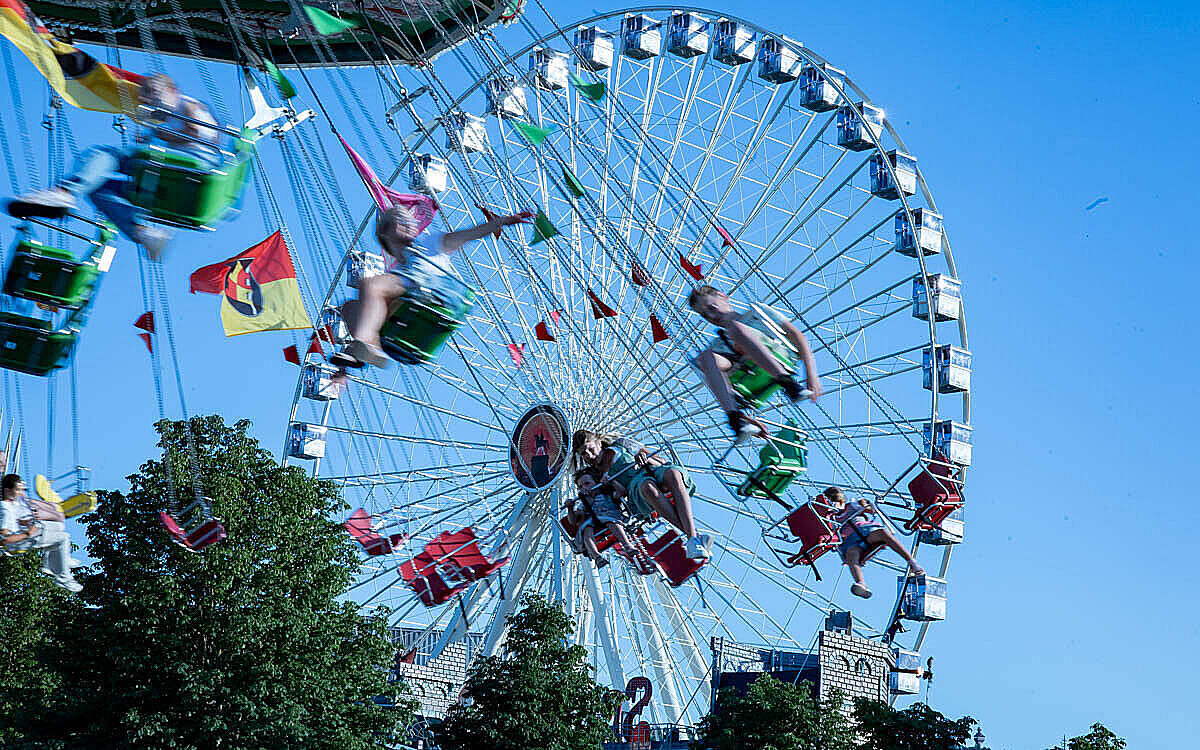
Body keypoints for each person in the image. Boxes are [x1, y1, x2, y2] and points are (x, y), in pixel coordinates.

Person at [6, 74, 221, 257]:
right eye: (148, 95)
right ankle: (143, 233)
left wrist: (162, 136)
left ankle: (64, 192)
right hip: (171, 181)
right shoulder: (165, 118)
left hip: (192, 171)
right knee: (98, 188)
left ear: (172, 90)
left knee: (107, 154)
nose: (152, 99)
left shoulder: (187, 104)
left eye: (155, 92)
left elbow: (200, 132)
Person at [331, 203, 532, 368]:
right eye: (401, 220)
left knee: (370, 286)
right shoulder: (393, 274)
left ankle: (366, 343)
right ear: (386, 232)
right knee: (350, 308)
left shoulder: (432, 243)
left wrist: (502, 222)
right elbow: (368, 313)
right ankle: (364, 350)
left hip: (432, 295)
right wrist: (342, 370)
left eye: (410, 219)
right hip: (405, 316)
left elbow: (470, 234)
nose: (410, 223)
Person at [687, 285, 822, 439]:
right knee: (705, 358)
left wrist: (811, 374)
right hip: (746, 374)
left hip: (777, 356)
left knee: (736, 328)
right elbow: (718, 382)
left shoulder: (757, 313)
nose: (711, 316)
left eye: (712, 307)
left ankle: (788, 382)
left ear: (722, 296)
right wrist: (748, 419)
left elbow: (797, 336)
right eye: (705, 315)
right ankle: (735, 418)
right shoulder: (718, 345)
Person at [573, 429, 712, 560]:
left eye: (590, 449)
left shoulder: (622, 444)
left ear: (598, 442)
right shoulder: (593, 475)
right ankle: (693, 536)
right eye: (584, 454)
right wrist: (608, 483)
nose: (589, 456)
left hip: (651, 470)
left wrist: (644, 458)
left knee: (674, 474)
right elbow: (614, 499)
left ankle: (693, 539)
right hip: (635, 488)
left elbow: (661, 461)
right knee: (647, 487)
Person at [823, 486, 922, 599]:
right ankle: (861, 584)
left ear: (841, 501)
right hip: (851, 541)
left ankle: (912, 563)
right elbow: (831, 534)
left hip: (866, 532)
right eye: (829, 504)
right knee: (851, 556)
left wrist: (866, 505)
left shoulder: (852, 506)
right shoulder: (831, 519)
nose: (832, 507)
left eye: (834, 503)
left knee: (884, 534)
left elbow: (871, 510)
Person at [1, 474, 82, 593]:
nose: (20, 493)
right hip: (17, 544)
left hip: (26, 534)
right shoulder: (4, 509)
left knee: (59, 526)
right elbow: (4, 540)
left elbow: (15, 519)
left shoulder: (14, 502)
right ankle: (63, 578)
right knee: (63, 538)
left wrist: (24, 522)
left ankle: (50, 564)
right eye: (17, 490)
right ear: (7, 490)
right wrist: (28, 533)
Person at [573, 469, 652, 573]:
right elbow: (575, 518)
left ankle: (627, 545)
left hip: (610, 515)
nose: (584, 488)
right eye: (580, 486)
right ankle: (597, 557)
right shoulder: (584, 501)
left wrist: (612, 481)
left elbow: (622, 492)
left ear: (596, 482)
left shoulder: (607, 493)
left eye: (587, 483)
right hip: (594, 520)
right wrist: (571, 507)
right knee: (586, 532)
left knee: (612, 523)